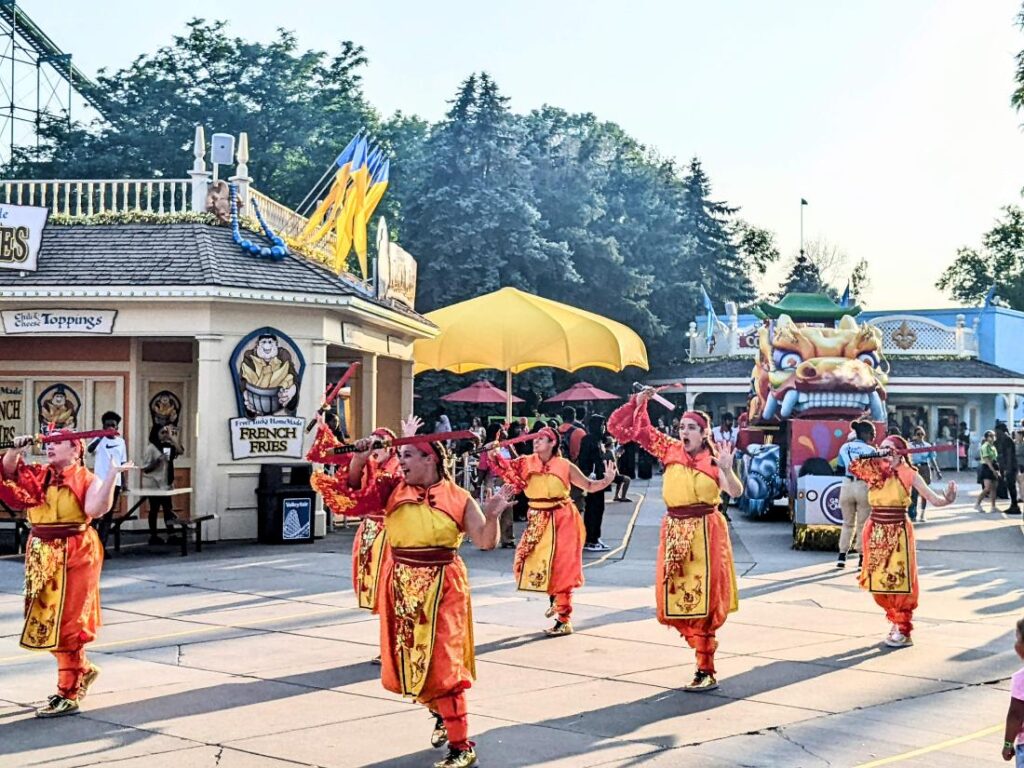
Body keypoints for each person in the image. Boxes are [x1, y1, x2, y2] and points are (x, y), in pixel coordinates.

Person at [309, 415, 511, 768]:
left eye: (408, 456)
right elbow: (353, 496)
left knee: (445, 663)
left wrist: (492, 515)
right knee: (415, 662)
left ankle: (462, 746)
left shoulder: (459, 497)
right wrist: (358, 458)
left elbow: (484, 541)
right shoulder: (391, 489)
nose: (399, 462)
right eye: (399, 457)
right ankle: (441, 715)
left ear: (430, 459)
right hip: (401, 584)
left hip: (444, 585)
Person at [608, 388, 742, 691]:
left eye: (691, 427)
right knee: (676, 600)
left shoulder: (714, 460)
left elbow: (735, 492)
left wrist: (727, 469)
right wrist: (637, 403)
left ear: (703, 431)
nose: (684, 432)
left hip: (706, 533)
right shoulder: (669, 449)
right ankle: (699, 650)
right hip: (674, 531)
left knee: (705, 602)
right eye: (681, 427)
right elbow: (629, 431)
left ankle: (705, 667)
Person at [0, 428, 133, 717]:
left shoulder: (85, 478)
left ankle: (68, 690)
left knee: (70, 621)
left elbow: (96, 509)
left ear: (76, 450)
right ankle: (81, 670)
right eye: (48, 442)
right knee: (45, 621)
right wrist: (15, 450)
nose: (50, 447)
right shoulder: (38, 474)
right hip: (42, 550)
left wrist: (111, 476)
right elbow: (8, 475)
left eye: (59, 443)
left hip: (76, 550)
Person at [490, 426, 615, 636]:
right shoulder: (525, 462)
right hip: (537, 517)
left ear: (552, 443)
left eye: (542, 439)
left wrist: (607, 479)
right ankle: (554, 599)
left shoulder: (564, 465)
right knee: (527, 561)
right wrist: (493, 451)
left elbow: (588, 485)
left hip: (563, 518)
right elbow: (504, 469)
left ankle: (563, 618)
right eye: (535, 438)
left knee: (562, 568)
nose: (536, 441)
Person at [849, 435, 957, 648]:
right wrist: (879, 455)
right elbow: (855, 462)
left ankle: (903, 627)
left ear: (900, 451)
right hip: (876, 530)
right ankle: (895, 620)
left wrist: (948, 499)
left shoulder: (910, 473)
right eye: (881, 447)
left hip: (898, 530)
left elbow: (934, 499)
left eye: (888, 448)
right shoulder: (876, 471)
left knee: (899, 580)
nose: (883, 450)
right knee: (878, 582)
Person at [308, 423, 399, 664]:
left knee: (394, 595)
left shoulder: (400, 469)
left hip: (397, 539)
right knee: (380, 597)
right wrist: (359, 458)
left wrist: (409, 440)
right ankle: (389, 647)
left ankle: (395, 648)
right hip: (371, 535)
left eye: (380, 444)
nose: (375, 448)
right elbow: (352, 483)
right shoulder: (369, 465)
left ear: (392, 449)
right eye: (372, 443)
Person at [835, 421, 878, 569]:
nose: (874, 435)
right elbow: (876, 470)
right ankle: (861, 557)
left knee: (847, 523)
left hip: (846, 485)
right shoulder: (871, 450)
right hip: (862, 486)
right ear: (865, 434)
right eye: (872, 432)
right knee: (862, 524)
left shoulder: (844, 447)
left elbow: (840, 468)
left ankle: (842, 556)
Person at [88, 411, 127, 549]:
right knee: (96, 515)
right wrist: (100, 436)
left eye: (113, 425)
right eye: (107, 425)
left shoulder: (121, 442)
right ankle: (91, 545)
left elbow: (122, 463)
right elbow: (89, 449)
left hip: (114, 483)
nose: (111, 427)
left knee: (108, 515)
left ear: (117, 428)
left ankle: (102, 546)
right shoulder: (99, 439)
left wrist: (124, 483)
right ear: (103, 426)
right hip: (100, 481)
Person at [475, 422, 516, 548]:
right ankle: (488, 537)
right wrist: (478, 483)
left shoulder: (507, 445)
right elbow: (482, 466)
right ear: (497, 432)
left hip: (506, 480)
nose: (505, 432)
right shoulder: (488, 447)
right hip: (492, 479)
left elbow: (516, 460)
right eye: (502, 430)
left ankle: (507, 538)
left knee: (507, 509)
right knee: (492, 508)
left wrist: (509, 446)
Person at [141, 424, 182, 545]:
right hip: (153, 482)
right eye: (162, 432)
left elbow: (180, 451)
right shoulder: (151, 448)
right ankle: (153, 536)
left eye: (166, 432)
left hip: (165, 482)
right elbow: (146, 468)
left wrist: (172, 439)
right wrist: (157, 461)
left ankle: (171, 534)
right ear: (156, 434)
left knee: (168, 509)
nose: (165, 435)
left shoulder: (168, 446)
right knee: (154, 509)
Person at [577, 414, 610, 551]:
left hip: (600, 479)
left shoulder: (599, 440)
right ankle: (591, 538)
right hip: (593, 479)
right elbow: (584, 458)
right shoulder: (588, 439)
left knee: (599, 508)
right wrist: (588, 473)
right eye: (602, 425)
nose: (604, 428)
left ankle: (595, 536)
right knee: (593, 509)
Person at [1001, 616, 1024, 765]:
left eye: (1017, 639)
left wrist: (1008, 744)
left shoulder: (1021, 679)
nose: (1015, 644)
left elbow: (1016, 715)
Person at [907, 427, 942, 523]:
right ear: (914, 435)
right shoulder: (910, 446)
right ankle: (912, 514)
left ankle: (922, 513)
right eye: (918, 434)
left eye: (922, 434)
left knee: (924, 492)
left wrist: (937, 471)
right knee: (913, 493)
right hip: (914, 468)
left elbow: (932, 459)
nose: (920, 436)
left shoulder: (927, 446)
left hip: (925, 468)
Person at [996, 423, 1021, 515]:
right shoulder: (1004, 439)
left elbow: (1009, 455)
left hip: (1010, 467)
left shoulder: (1007, 440)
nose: (996, 433)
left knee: (1011, 486)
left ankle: (1015, 506)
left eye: (997, 431)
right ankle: (1013, 505)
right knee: (1010, 486)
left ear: (1001, 430)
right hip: (1008, 466)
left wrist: (1008, 469)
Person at [976, 430, 1001, 513]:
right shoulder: (985, 446)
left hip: (994, 465)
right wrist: (993, 470)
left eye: (994, 436)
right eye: (991, 436)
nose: (993, 437)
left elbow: (995, 458)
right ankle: (977, 504)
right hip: (987, 467)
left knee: (994, 488)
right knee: (987, 488)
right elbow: (987, 460)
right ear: (987, 438)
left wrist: (997, 470)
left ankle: (993, 506)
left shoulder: (993, 446)